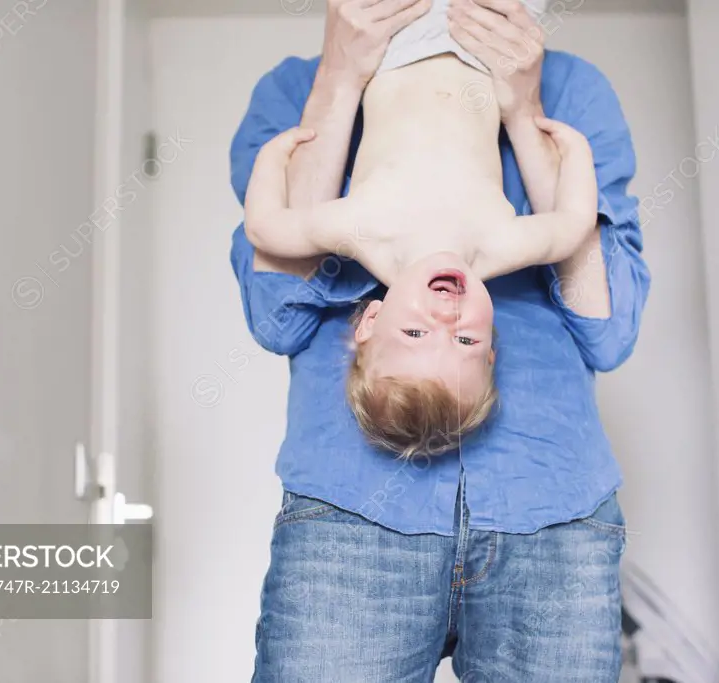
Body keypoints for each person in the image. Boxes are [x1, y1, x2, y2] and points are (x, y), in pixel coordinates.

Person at [227, 0, 651, 680]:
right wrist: (337, 84)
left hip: (550, 514)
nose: (448, 317)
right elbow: (277, 315)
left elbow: (610, 332)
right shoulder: (293, 91)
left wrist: (523, 112)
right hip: (352, 514)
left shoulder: (570, 90)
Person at [243, 87, 597, 458]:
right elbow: (573, 225)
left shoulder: (363, 231)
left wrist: (270, 159)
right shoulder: (500, 245)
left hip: (397, 55)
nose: (446, 317)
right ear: (491, 348)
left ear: (371, 320)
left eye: (415, 332)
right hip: (478, 67)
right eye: (465, 341)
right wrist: (577, 153)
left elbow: (265, 228)